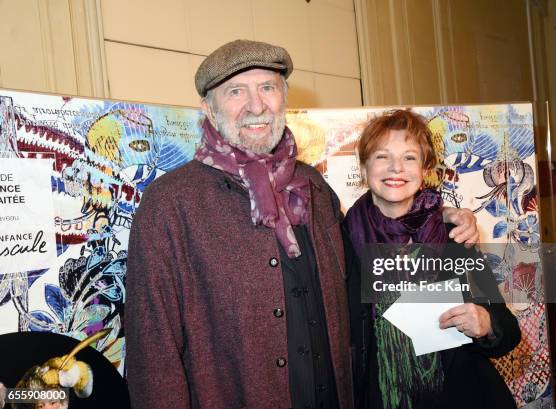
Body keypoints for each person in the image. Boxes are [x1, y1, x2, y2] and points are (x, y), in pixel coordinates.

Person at [124, 40, 479, 409]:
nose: (256, 105)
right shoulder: (169, 204)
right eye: (235, 91)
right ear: (209, 110)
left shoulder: (312, 186)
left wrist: (442, 215)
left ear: (283, 98)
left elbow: (369, 256)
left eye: (267, 88)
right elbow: (152, 355)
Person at [343, 109, 521, 409]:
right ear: (364, 169)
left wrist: (487, 323)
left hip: (459, 396)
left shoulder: (452, 235)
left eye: (409, 157)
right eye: (382, 156)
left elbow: (507, 330)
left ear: (424, 169)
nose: (396, 167)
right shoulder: (341, 243)